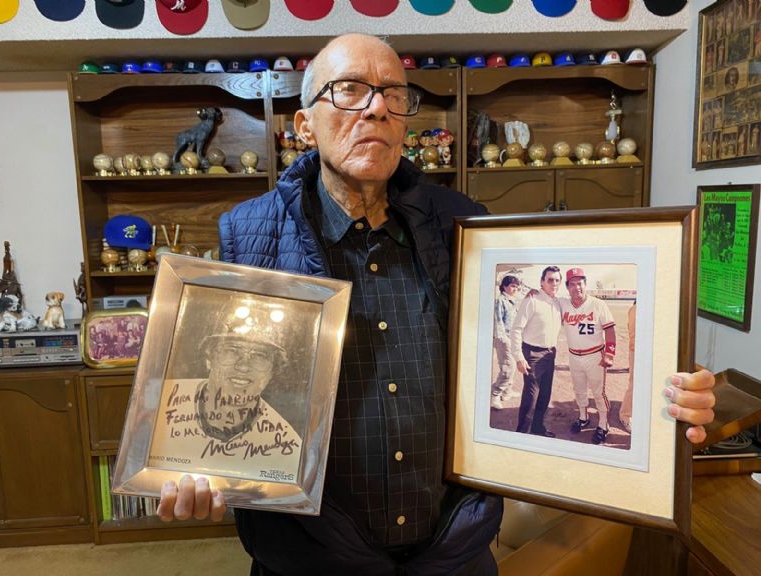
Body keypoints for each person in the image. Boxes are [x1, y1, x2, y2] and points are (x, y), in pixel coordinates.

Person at [156, 34, 717, 575]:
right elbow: (225, 377)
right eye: (349, 90)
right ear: (304, 125)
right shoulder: (250, 233)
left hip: (452, 552)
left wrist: (663, 392)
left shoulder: (464, 225)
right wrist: (196, 466)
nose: (376, 108)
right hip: (310, 556)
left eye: (393, 94)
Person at [147, 298, 302, 482]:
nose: (243, 366)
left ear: (272, 372)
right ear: (209, 358)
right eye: (231, 351)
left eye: (259, 356)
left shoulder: (287, 446)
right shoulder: (159, 403)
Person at [559, 268, 617, 444]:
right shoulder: (563, 304)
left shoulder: (598, 304)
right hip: (574, 356)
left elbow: (610, 330)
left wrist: (609, 354)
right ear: (567, 287)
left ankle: (603, 424)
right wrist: (534, 292)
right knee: (579, 389)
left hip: (594, 356)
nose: (577, 287)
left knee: (599, 392)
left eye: (580, 283)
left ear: (585, 284)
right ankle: (583, 418)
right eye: (572, 284)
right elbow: (547, 298)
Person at [510, 266, 562, 437]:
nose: (554, 283)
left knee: (545, 394)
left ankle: (537, 428)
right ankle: (521, 435)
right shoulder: (532, 300)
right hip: (532, 354)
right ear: (542, 282)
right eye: (550, 280)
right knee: (531, 397)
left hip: (550, 354)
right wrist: (518, 356)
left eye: (557, 280)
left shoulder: (558, 303)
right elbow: (516, 329)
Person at [491, 274, 520, 410]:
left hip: (513, 338)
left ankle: (507, 391)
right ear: (504, 286)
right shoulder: (500, 300)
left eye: (517, 286)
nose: (515, 289)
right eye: (513, 286)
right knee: (508, 368)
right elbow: (497, 320)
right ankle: (495, 395)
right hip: (504, 339)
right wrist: (503, 338)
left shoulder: (512, 300)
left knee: (512, 365)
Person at [619, 300, 636, 434]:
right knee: (634, 384)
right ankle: (625, 415)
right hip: (638, 351)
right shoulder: (636, 309)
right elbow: (635, 336)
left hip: (643, 351)